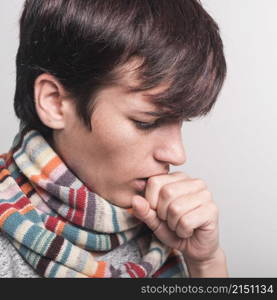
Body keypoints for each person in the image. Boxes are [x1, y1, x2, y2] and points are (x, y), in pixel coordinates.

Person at [0, 0, 228, 278]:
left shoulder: (167, 227)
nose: (177, 154)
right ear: (55, 102)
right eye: (146, 122)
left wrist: (205, 263)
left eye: (180, 122)